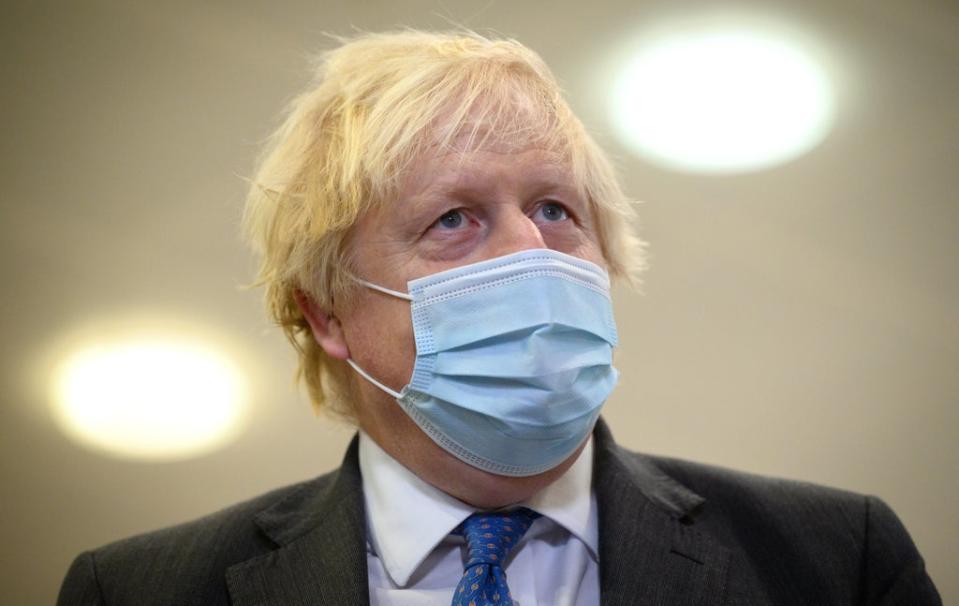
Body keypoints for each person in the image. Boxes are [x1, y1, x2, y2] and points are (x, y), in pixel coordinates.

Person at [57, 30, 941, 606]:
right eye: (454, 220)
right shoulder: (138, 590)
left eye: (556, 210)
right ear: (325, 312)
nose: (530, 252)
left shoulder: (832, 562)